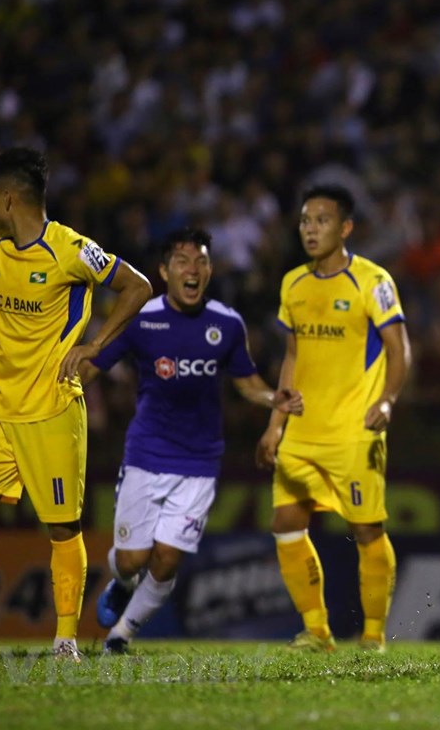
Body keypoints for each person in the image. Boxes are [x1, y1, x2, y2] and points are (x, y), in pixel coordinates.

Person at [0, 147, 152, 661]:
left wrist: (96, 344)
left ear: (9, 198)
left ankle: (64, 640)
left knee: (61, 526)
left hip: (52, 410)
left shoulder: (70, 249)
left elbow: (137, 286)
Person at [83, 227, 304, 654]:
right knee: (133, 560)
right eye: (183, 261)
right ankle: (121, 582)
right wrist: (61, 386)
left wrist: (271, 397)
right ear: (165, 271)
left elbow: (246, 382)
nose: (193, 269)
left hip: (200, 462)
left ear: (210, 270)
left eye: (201, 261)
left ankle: (120, 636)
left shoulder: (226, 323)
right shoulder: (140, 320)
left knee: (166, 559)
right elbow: (95, 366)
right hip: (146, 454)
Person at [257, 184, 411, 652]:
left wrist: (387, 400)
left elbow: (398, 347)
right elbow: (292, 354)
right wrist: (275, 423)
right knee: (286, 523)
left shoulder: (372, 280)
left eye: (321, 221)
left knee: (366, 529)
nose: (311, 229)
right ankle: (317, 630)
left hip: (353, 431)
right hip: (301, 432)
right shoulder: (293, 284)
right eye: (305, 220)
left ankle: (373, 635)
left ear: (345, 228)